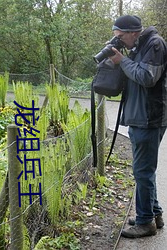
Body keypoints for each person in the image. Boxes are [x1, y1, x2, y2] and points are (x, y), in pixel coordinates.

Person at [109, 15, 167, 238]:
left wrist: (122, 61)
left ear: (133, 32)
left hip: (149, 118)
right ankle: (154, 214)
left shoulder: (155, 44)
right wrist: (119, 60)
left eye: (121, 37)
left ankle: (145, 223)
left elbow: (146, 77)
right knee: (144, 171)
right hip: (139, 117)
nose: (120, 41)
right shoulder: (138, 46)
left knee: (142, 171)